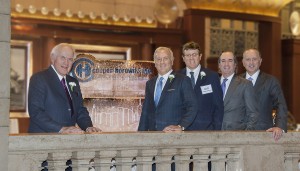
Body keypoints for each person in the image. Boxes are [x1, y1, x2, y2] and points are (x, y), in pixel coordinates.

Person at [28, 43, 101, 133]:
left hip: (67, 141)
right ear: (52, 58)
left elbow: (79, 110)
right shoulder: (39, 79)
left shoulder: (73, 81)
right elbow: (36, 112)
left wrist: (88, 127)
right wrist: (61, 129)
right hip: (43, 139)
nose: (66, 63)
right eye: (63, 58)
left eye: (70, 59)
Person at [138, 47, 198, 132]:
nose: (162, 62)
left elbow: (193, 107)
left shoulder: (182, 80)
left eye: (165, 58)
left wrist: (181, 126)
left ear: (172, 60)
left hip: (173, 137)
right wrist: (140, 135)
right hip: (153, 136)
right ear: (154, 62)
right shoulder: (150, 84)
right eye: (158, 59)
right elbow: (145, 112)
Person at [241, 48, 288, 141]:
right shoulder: (236, 81)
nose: (251, 62)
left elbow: (280, 104)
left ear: (260, 61)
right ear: (243, 62)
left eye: (254, 59)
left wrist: (279, 126)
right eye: (248, 59)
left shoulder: (271, 81)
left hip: (264, 133)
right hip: (239, 132)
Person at [179, 41, 224, 130]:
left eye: (194, 54)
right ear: (183, 58)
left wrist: (216, 131)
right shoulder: (176, 77)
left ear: (200, 56)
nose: (191, 58)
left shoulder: (212, 76)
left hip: (206, 131)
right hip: (181, 131)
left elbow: (218, 107)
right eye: (188, 55)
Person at [219, 51, 259, 130]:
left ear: (235, 65)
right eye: (223, 61)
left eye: (230, 60)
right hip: (213, 135)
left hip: (236, 136)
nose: (226, 64)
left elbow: (253, 114)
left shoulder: (245, 84)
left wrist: (245, 135)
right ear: (219, 65)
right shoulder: (213, 84)